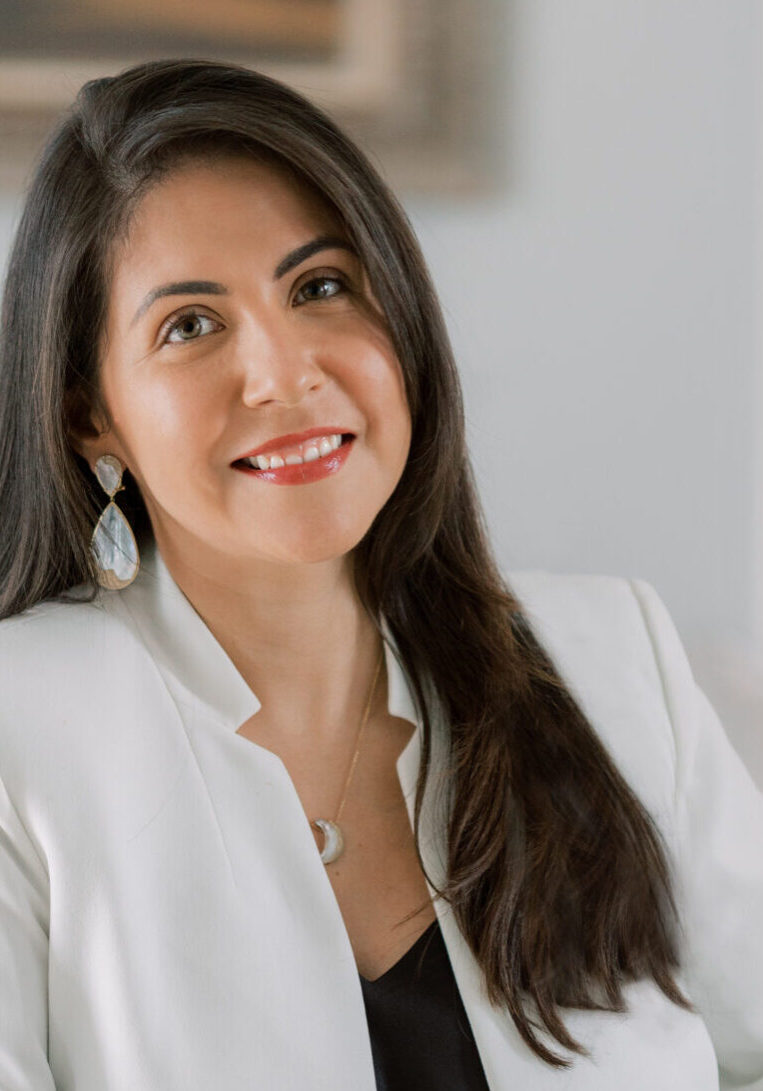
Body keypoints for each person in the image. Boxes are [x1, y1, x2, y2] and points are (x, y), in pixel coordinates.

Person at [0, 57, 760, 1091]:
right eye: (190, 323)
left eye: (320, 287)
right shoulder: (21, 728)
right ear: (92, 413)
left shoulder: (615, 659)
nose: (284, 373)